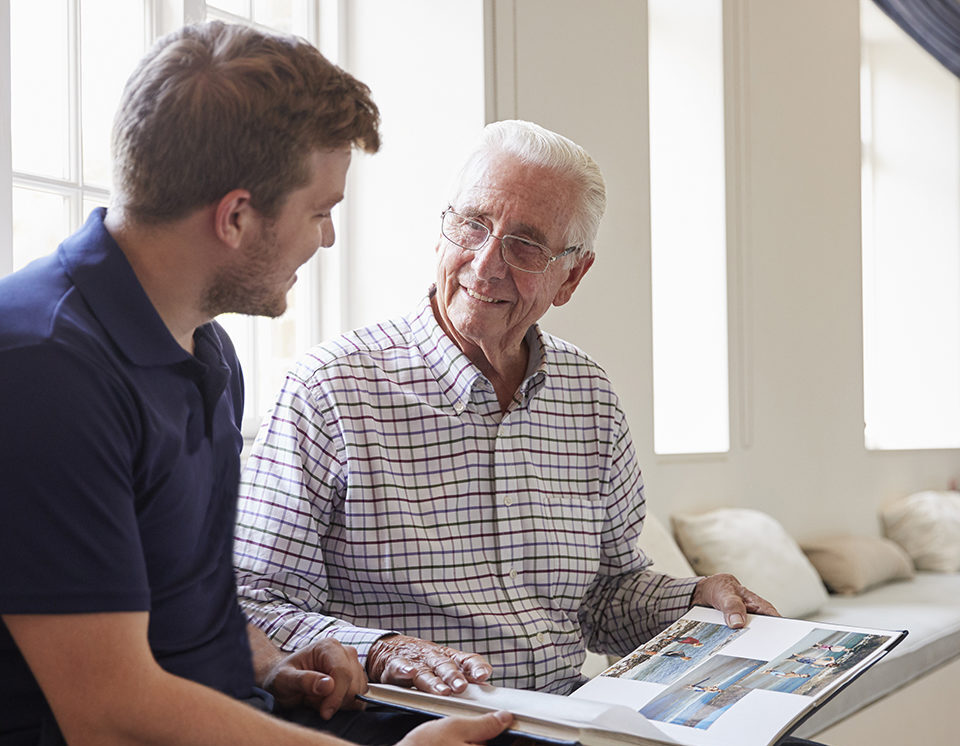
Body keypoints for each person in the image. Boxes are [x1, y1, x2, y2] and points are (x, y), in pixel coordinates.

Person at [0, 21, 511, 746]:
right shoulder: (39, 369)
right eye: (320, 211)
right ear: (236, 216)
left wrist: (271, 664)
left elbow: (177, 604)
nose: (327, 238)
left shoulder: (206, 348)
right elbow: (107, 712)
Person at [233, 120, 779, 699]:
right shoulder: (331, 388)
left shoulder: (588, 397)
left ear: (571, 275)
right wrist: (384, 650)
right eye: (472, 224)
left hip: (570, 714)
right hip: (415, 718)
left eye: (524, 244)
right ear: (442, 230)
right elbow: (254, 604)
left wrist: (694, 598)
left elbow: (604, 596)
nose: (485, 263)